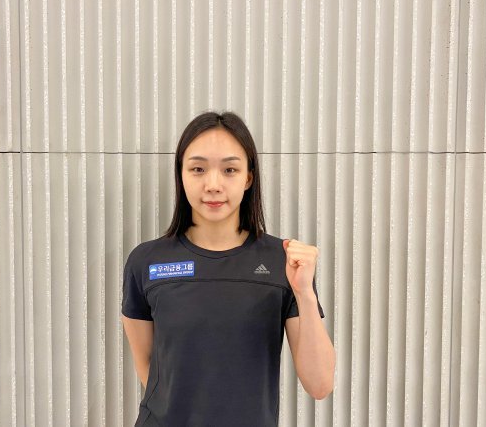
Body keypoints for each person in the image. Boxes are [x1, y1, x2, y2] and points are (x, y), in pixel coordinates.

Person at [121, 111, 335, 426]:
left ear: (248, 178)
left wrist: (304, 291)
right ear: (181, 175)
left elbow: (319, 385)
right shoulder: (147, 261)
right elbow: (149, 367)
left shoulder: (284, 261)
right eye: (198, 169)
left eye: (230, 170)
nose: (213, 185)